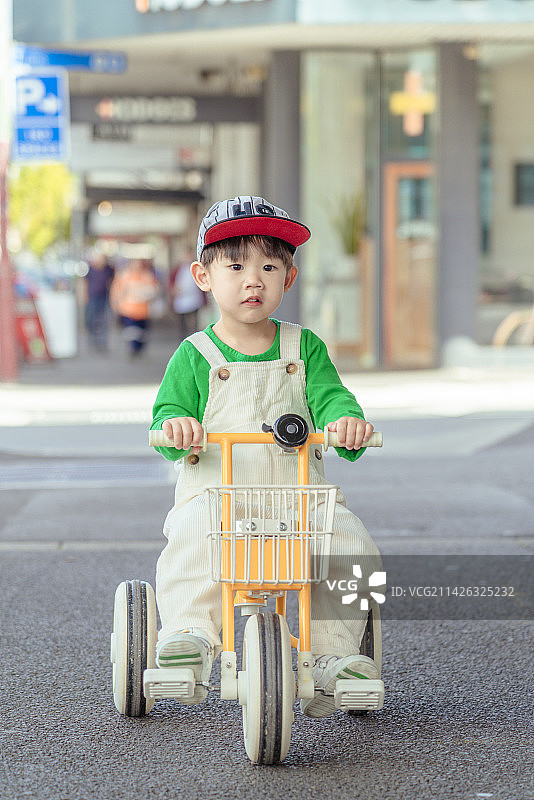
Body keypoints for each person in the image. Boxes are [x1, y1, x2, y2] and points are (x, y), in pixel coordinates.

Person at [150, 195, 382, 718]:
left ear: (288, 279)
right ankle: (190, 635)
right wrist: (176, 427)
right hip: (218, 502)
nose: (253, 280)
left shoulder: (305, 350)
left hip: (298, 501)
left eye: (268, 266)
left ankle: (331, 655)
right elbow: (164, 420)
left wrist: (346, 424)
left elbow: (332, 400)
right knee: (189, 534)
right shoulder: (195, 355)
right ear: (203, 276)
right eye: (235, 266)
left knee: (351, 542)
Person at [110, 258, 159, 357]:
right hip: (128, 310)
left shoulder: (147, 276)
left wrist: (144, 294)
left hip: (143, 310)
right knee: (131, 332)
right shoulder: (125, 275)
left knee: (142, 332)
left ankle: (139, 349)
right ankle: (133, 349)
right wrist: (116, 304)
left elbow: (154, 290)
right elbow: (117, 290)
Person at [170, 252, 207, 341]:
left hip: (194, 299)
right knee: (182, 323)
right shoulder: (178, 269)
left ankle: (195, 339)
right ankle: (183, 339)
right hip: (181, 299)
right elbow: (172, 282)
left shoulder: (195, 269)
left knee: (194, 321)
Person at [84, 251, 114, 352]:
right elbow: (85, 283)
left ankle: (102, 344)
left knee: (103, 322)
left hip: (104, 298)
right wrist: (84, 296)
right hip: (92, 298)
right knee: (91, 320)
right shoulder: (91, 270)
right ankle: (93, 341)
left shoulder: (109, 270)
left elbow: (112, 283)